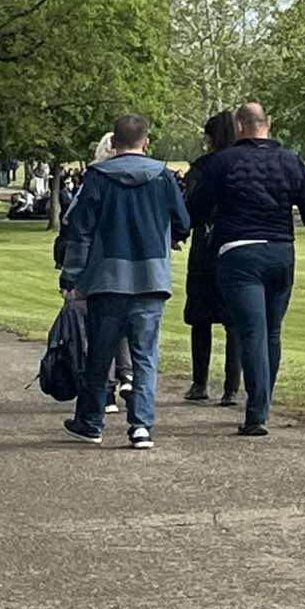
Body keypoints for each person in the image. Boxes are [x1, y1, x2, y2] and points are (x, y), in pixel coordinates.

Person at [187, 103, 305, 437]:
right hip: (281, 251)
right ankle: (263, 403)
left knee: (253, 332)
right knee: (272, 332)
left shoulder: (224, 161)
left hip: (240, 252)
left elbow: (198, 207)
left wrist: (178, 231)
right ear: (268, 125)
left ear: (241, 126)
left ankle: (257, 413)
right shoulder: (290, 161)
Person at [58, 114, 191, 449]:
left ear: (114, 143)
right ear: (146, 142)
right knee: (145, 355)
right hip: (152, 276)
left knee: (100, 354)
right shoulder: (163, 176)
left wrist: (71, 275)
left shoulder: (98, 177)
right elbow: (182, 221)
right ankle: (141, 425)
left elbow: (80, 231)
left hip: (107, 277)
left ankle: (91, 421)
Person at [182, 111, 242, 405]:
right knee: (234, 321)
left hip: (206, 246)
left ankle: (200, 382)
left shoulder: (203, 167)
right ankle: (231, 387)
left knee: (201, 318)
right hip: (235, 243)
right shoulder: (243, 165)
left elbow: (191, 207)